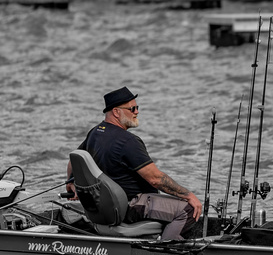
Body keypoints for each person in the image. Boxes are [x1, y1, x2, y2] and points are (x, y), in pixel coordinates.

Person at [68, 87, 201, 241]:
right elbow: (155, 179)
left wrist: (71, 181)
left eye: (137, 108)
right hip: (132, 206)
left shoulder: (96, 132)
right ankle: (165, 252)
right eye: (132, 108)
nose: (137, 112)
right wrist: (189, 195)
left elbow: (74, 159)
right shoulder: (127, 141)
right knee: (189, 209)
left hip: (106, 205)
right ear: (117, 112)